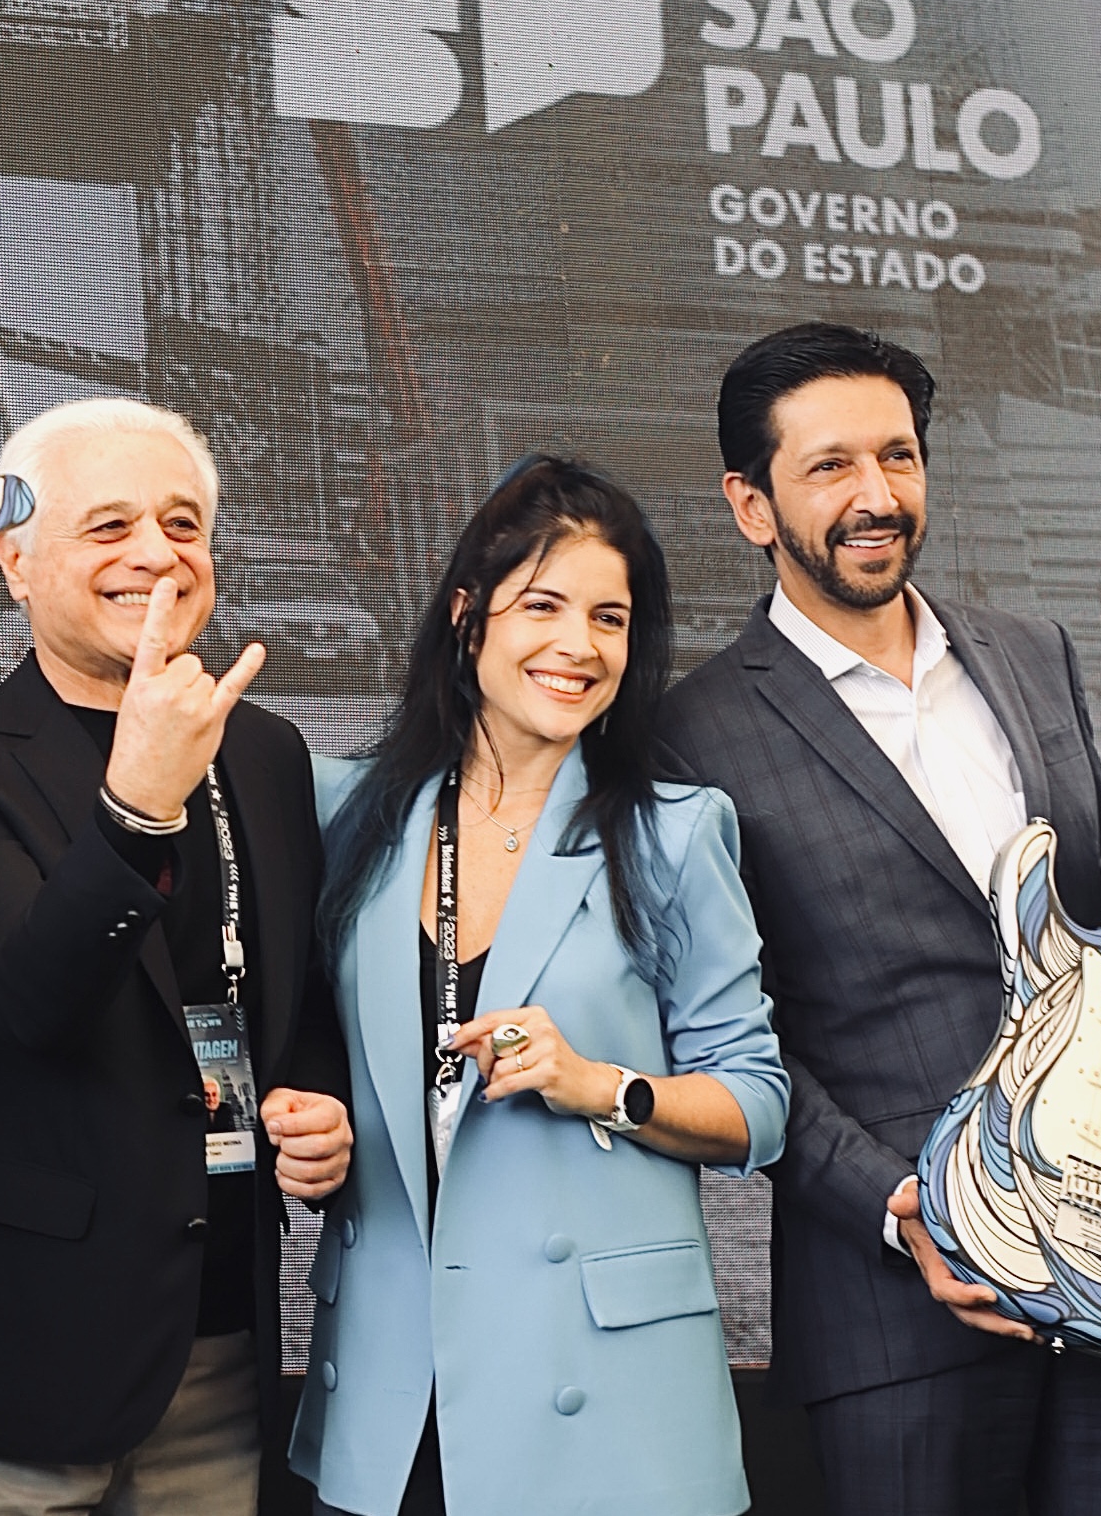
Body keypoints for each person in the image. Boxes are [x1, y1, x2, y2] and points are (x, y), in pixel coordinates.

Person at [654, 322, 1101, 1516]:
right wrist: (902, 1206)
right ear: (749, 502)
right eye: (828, 466)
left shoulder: (1032, 656)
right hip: (896, 1309)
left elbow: (1085, 939)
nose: (874, 495)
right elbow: (730, 1038)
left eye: (897, 456)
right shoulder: (690, 733)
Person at [0, 397, 355, 1515]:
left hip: (214, 1336)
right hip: (6, 1347)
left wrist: (313, 1097)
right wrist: (136, 801)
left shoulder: (263, 750)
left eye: (181, 524)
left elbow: (285, 993)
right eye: (107, 526)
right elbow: (25, 999)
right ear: (15, 563)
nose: (154, 555)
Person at [290, 455, 789, 1516]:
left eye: (608, 618)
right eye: (544, 605)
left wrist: (599, 1082)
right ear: (468, 618)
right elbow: (301, 1042)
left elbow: (756, 1104)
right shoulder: (346, 815)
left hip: (604, 1394)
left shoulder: (670, 832)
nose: (578, 645)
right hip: (395, 1387)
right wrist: (307, 1115)